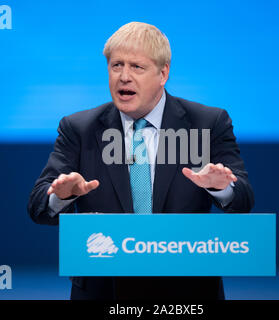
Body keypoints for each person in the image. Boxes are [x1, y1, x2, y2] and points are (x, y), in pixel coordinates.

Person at [28, 22, 254, 301]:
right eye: (116, 65)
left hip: (187, 293)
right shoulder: (79, 128)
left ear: (163, 73)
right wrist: (60, 195)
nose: (124, 77)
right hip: (104, 290)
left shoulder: (207, 123)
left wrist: (221, 187)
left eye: (137, 67)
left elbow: (243, 199)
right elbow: (38, 206)